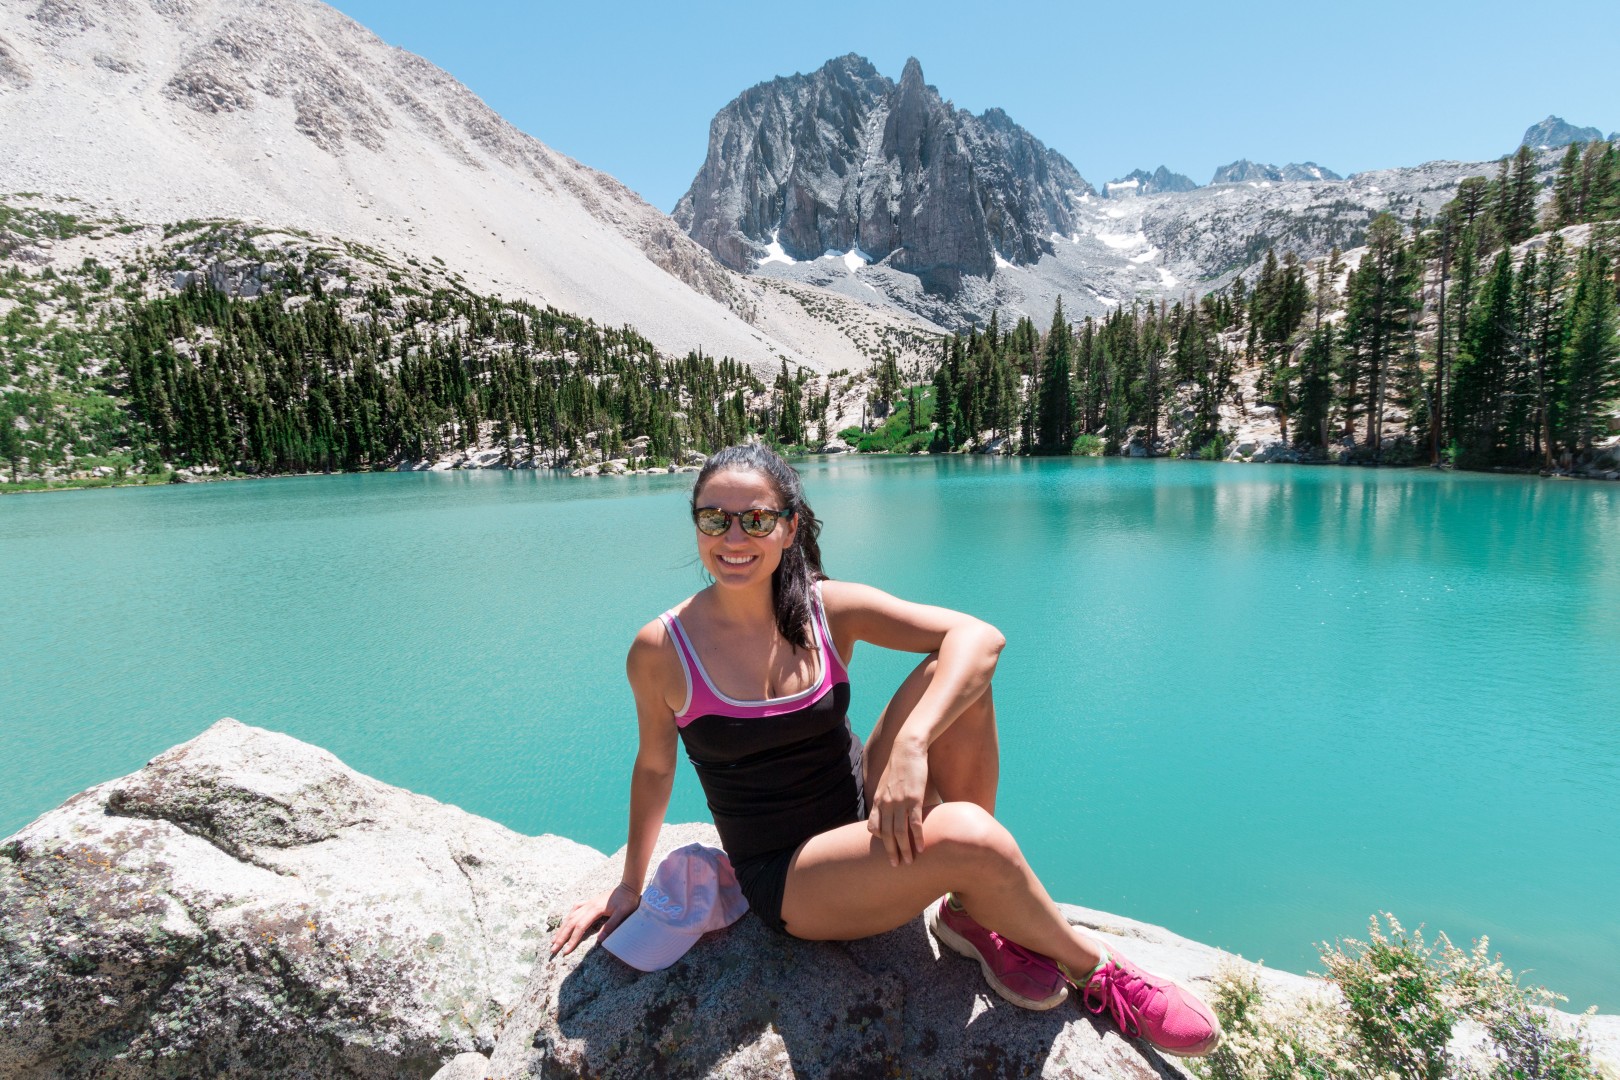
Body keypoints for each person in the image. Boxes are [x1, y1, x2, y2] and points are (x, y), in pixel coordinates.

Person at [550, 443, 1221, 1057]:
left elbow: (980, 638)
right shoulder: (662, 648)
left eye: (755, 520)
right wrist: (630, 888)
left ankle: (968, 915)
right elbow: (655, 766)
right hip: (792, 878)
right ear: (695, 525)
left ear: (788, 527)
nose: (733, 538)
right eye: (713, 519)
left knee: (958, 679)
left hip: (868, 808)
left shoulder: (824, 609)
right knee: (969, 834)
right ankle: (1096, 971)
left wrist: (912, 747)